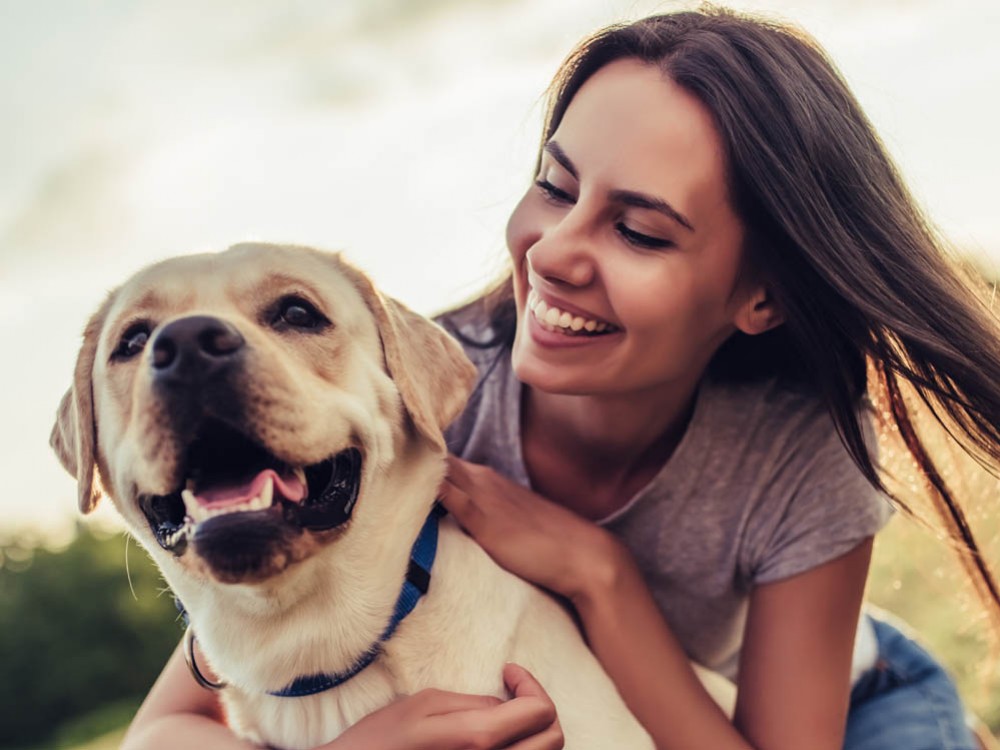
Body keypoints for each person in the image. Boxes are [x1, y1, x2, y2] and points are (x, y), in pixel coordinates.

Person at [123, 7, 1000, 750]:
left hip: (861, 705)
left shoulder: (796, 443)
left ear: (760, 296)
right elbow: (168, 721)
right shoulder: (413, 398)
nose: (555, 251)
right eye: (555, 186)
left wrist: (598, 573)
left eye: (642, 232)